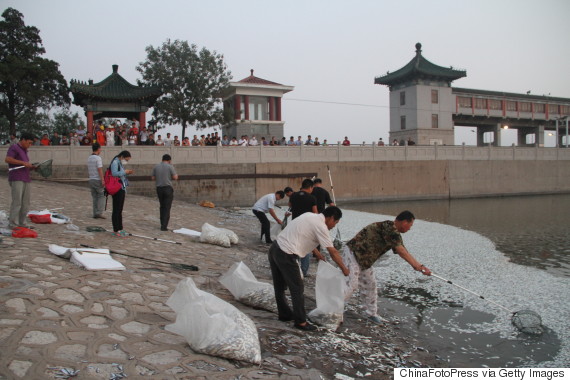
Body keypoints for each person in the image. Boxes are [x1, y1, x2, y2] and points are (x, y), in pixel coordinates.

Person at [342, 211, 432, 324]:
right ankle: (332, 309)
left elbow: (403, 249)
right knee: (351, 284)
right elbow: (401, 251)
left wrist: (420, 267)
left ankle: (371, 314)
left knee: (370, 285)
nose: (410, 229)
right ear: (404, 222)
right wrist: (419, 267)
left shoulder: (394, 233)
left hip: (364, 260)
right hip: (353, 253)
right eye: (410, 225)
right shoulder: (389, 227)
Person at [268, 206, 349, 331]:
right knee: (297, 288)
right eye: (335, 222)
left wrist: (317, 254)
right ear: (331, 218)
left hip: (275, 248)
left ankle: (284, 315)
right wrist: (344, 268)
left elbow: (304, 235)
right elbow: (333, 251)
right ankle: (300, 322)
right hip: (286, 253)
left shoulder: (309, 215)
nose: (333, 226)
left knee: (279, 287)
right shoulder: (321, 226)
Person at [5, 132, 36, 228]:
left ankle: (22, 222)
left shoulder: (25, 151)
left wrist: (31, 166)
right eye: (29, 143)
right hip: (16, 177)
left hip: (26, 177)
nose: (30, 145)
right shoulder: (14, 148)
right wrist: (22, 162)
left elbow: (25, 165)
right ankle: (13, 223)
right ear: (23, 140)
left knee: (25, 202)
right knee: (17, 201)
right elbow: (8, 159)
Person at [289, 179, 318, 276]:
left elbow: (290, 206)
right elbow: (315, 213)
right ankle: (304, 271)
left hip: (294, 225)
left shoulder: (293, 196)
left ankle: (294, 268)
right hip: (306, 227)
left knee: (294, 247)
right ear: (310, 187)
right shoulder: (312, 198)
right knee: (305, 248)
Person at [152, 154, 179, 231]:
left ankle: (161, 223)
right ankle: (164, 226)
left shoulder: (156, 166)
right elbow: (175, 177)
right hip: (167, 188)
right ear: (169, 160)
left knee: (162, 206)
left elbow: (153, 178)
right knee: (167, 207)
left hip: (159, 188)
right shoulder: (170, 167)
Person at [110, 151, 134, 237]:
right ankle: (116, 229)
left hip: (121, 187)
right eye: (126, 159)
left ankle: (120, 228)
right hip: (117, 188)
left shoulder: (119, 162)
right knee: (116, 210)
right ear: (123, 156)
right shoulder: (115, 162)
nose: (126, 161)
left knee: (119, 210)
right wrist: (125, 172)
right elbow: (114, 173)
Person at [87, 143, 106, 219]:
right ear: (98, 149)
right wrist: (103, 179)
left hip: (91, 179)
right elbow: (99, 169)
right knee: (101, 195)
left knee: (94, 197)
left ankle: (95, 212)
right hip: (97, 179)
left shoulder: (89, 158)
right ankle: (99, 212)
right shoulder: (98, 158)